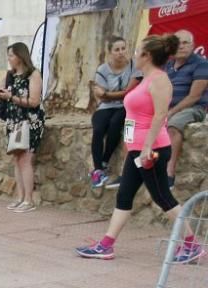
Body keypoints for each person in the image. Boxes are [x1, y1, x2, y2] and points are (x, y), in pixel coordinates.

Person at [76, 34, 204, 264]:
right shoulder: (144, 79)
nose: (133, 54)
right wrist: (129, 142)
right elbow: (131, 116)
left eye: (136, 51)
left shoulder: (159, 80)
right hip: (138, 150)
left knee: (163, 198)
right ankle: (106, 245)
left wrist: (145, 147)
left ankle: (192, 245)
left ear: (146, 56)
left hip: (152, 149)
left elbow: (161, 115)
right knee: (124, 196)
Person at [0, 42, 45, 213]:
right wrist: (0, 92)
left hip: (29, 121)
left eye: (11, 55)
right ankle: (20, 196)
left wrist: (12, 97)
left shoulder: (33, 74)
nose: (9, 59)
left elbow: (34, 102)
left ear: (20, 56)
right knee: (17, 159)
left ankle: (29, 200)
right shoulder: (10, 75)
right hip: (13, 121)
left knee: (25, 159)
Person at [90, 37, 139, 188]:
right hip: (105, 106)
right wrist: (106, 95)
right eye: (116, 50)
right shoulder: (103, 69)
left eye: (123, 48)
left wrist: (107, 94)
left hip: (126, 106)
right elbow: (99, 94)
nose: (121, 52)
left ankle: (105, 160)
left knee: (115, 124)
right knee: (98, 128)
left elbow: (128, 92)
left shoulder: (134, 66)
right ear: (110, 52)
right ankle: (98, 169)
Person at [165, 30, 207, 187]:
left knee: (174, 125)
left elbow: (194, 96)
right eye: (178, 43)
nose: (181, 46)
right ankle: (125, 171)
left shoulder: (201, 64)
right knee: (130, 123)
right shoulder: (167, 65)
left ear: (193, 45)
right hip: (166, 106)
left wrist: (170, 112)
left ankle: (169, 171)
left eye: (185, 43)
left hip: (193, 108)